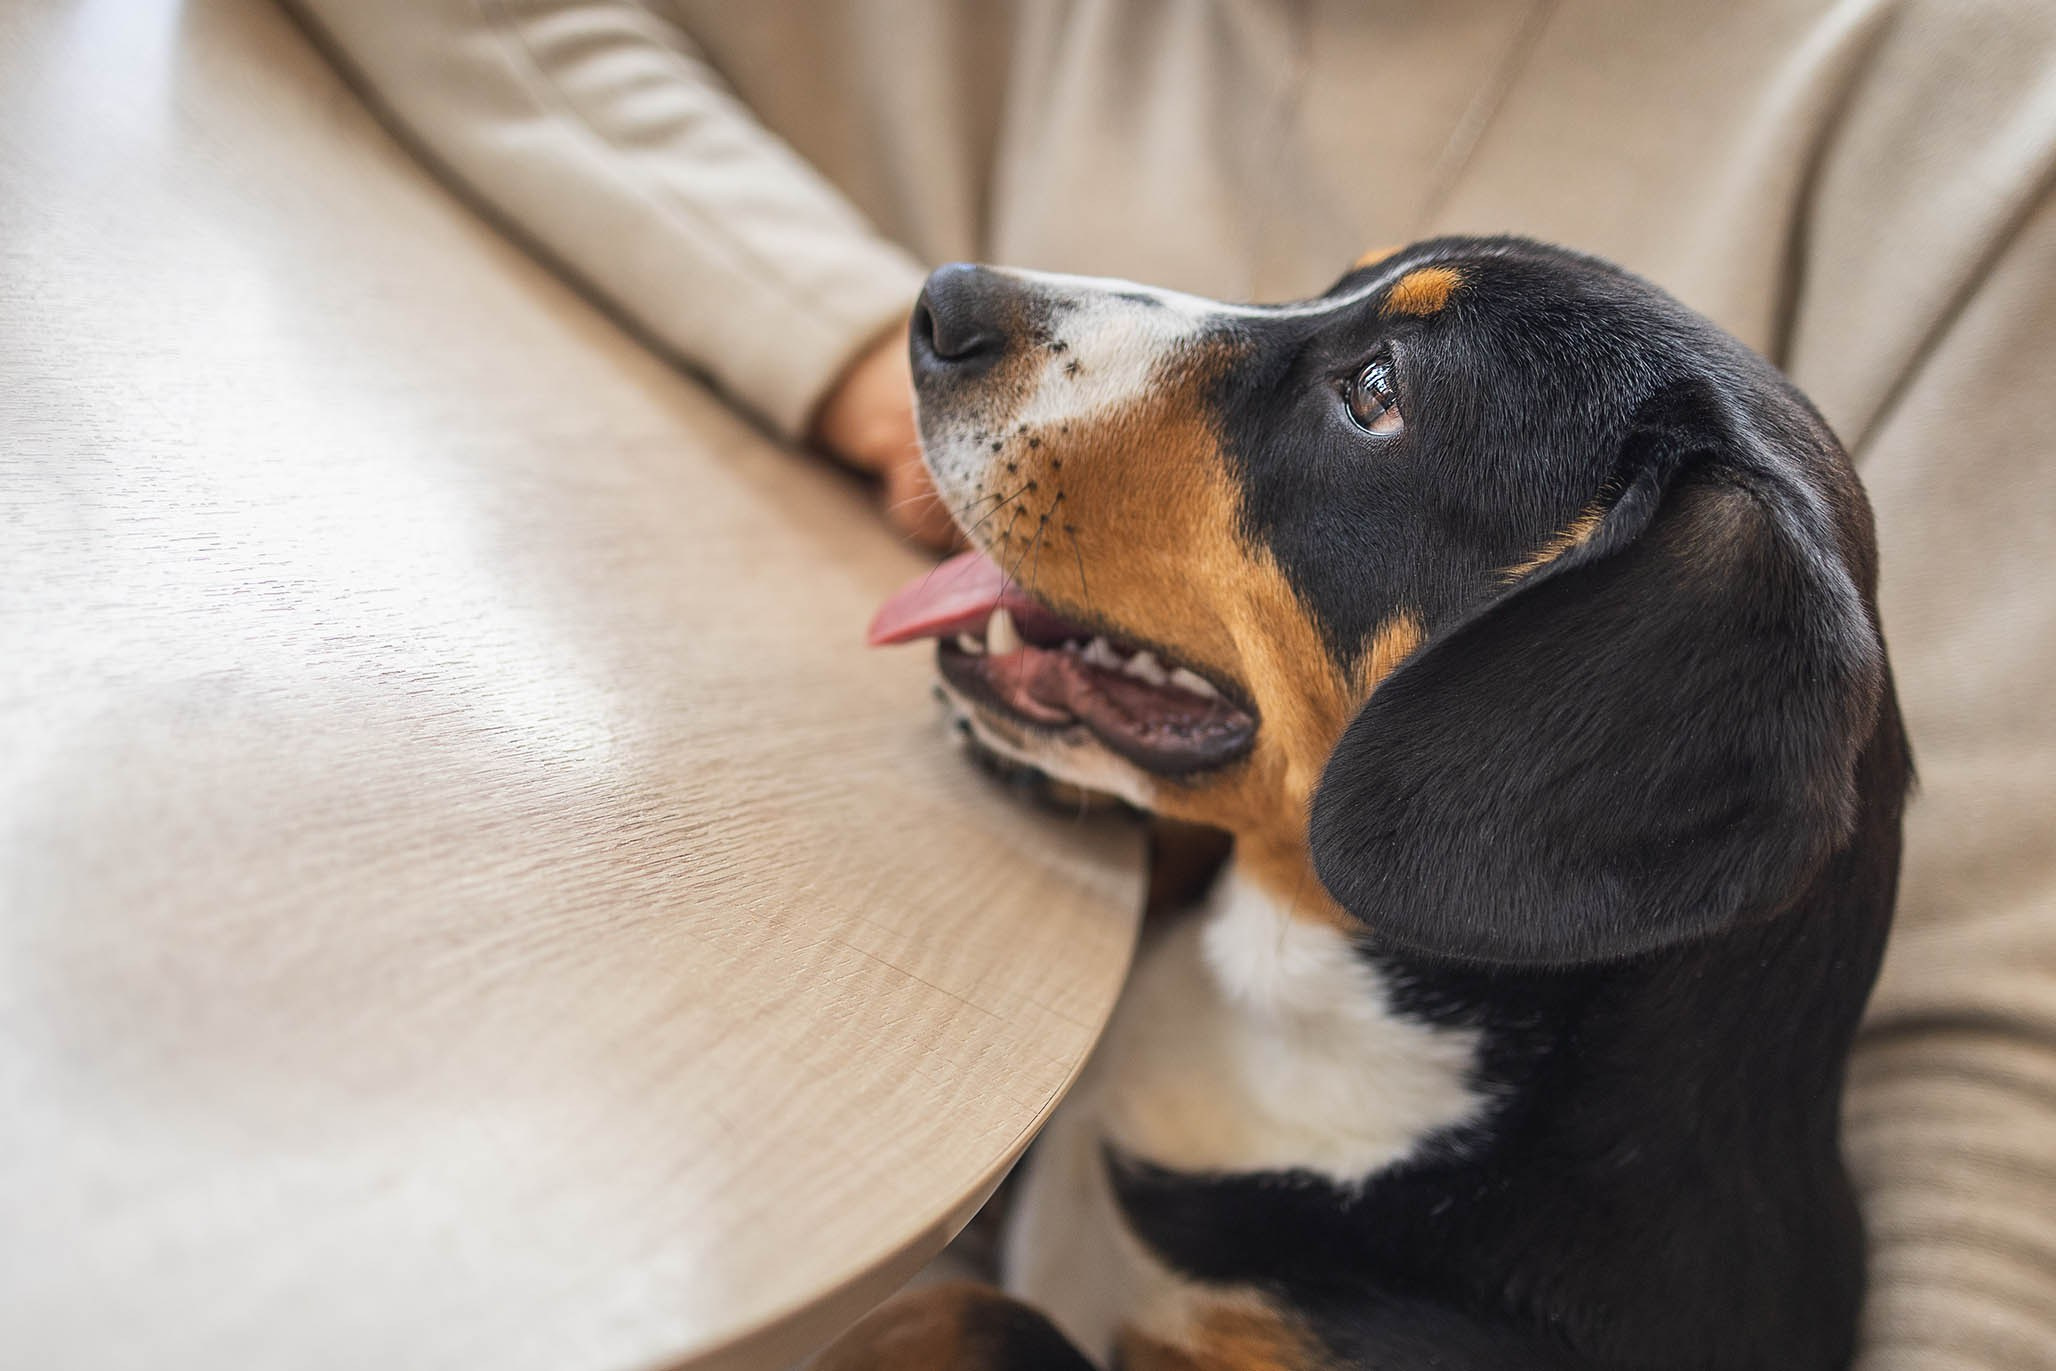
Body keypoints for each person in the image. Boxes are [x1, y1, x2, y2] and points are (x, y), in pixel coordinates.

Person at [284, 2, 2056, 1363]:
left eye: (1368, 393)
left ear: (1553, 735)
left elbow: (2003, 1050)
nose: (1002, 316)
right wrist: (835, 353)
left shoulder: (1971, 110)